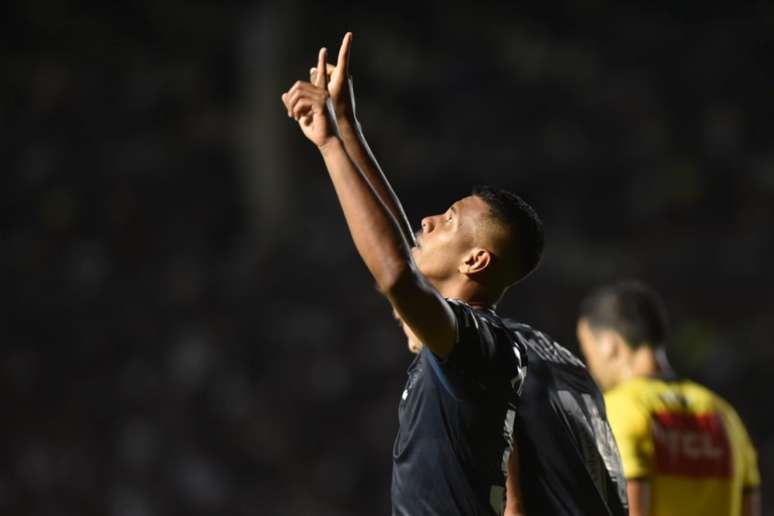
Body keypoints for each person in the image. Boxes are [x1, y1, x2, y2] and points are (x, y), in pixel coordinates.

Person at [281, 33, 538, 515]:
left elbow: (397, 274)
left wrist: (331, 144)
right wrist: (348, 126)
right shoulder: (479, 346)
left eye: (449, 220)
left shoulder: (472, 343)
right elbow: (405, 255)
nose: (428, 220)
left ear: (475, 261)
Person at [577, 281, 761, 516]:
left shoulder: (619, 410)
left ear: (609, 346)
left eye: (586, 349)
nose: (588, 364)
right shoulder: (725, 415)